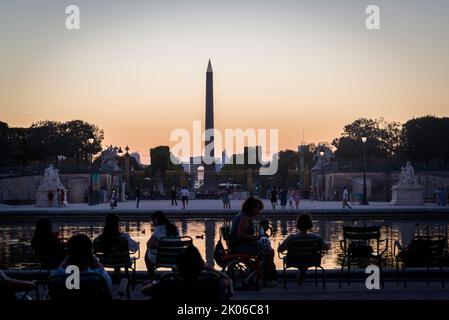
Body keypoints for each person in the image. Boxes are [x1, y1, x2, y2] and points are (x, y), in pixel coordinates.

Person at [142, 244, 233, 300]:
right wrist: (211, 269)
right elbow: (228, 281)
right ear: (200, 266)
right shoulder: (214, 284)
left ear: (178, 266)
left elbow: (145, 290)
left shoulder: (167, 285)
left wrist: (154, 283)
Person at [230, 197, 276, 286]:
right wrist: (257, 237)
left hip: (239, 245)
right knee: (270, 252)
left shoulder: (242, 215)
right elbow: (240, 235)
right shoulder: (244, 218)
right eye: (257, 208)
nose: (258, 210)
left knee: (266, 250)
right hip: (241, 247)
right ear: (251, 207)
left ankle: (263, 275)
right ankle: (265, 278)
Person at [278, 213, 328, 284]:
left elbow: (280, 250)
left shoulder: (291, 238)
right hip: (312, 260)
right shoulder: (316, 238)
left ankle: (301, 274)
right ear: (310, 224)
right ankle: (302, 273)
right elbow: (326, 247)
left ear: (297, 224)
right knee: (305, 257)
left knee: (300, 257)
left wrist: (279, 245)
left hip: (294, 261)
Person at [145, 211, 179, 279]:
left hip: (161, 258)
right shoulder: (175, 228)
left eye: (152, 220)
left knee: (147, 254)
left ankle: (151, 278)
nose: (152, 222)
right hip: (175, 257)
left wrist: (156, 245)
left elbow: (149, 244)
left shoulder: (159, 229)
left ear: (156, 219)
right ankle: (176, 277)